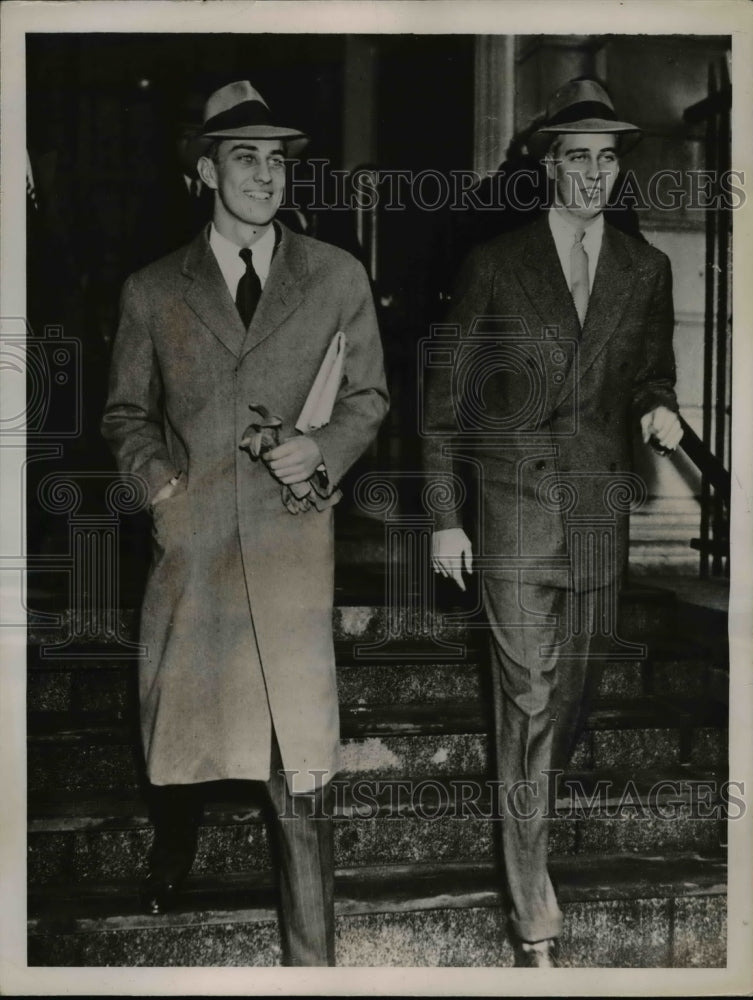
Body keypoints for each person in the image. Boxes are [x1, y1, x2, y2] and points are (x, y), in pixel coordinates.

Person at [101, 79, 388, 966]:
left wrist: (324, 448)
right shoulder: (152, 291)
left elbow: (370, 395)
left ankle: (315, 964)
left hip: (293, 547)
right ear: (204, 170)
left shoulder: (335, 274)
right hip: (197, 553)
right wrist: (158, 489)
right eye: (244, 157)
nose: (265, 175)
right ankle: (173, 851)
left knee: (300, 764)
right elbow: (124, 414)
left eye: (276, 159)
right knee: (182, 738)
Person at [423, 78, 683, 967]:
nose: (593, 175)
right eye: (577, 158)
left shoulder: (646, 268)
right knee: (527, 700)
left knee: (569, 702)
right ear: (546, 166)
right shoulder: (497, 262)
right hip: (511, 513)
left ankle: (522, 826)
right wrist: (444, 519)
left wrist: (656, 407)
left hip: (595, 513)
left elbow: (653, 370)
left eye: (607, 159)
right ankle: (533, 911)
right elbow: (442, 400)